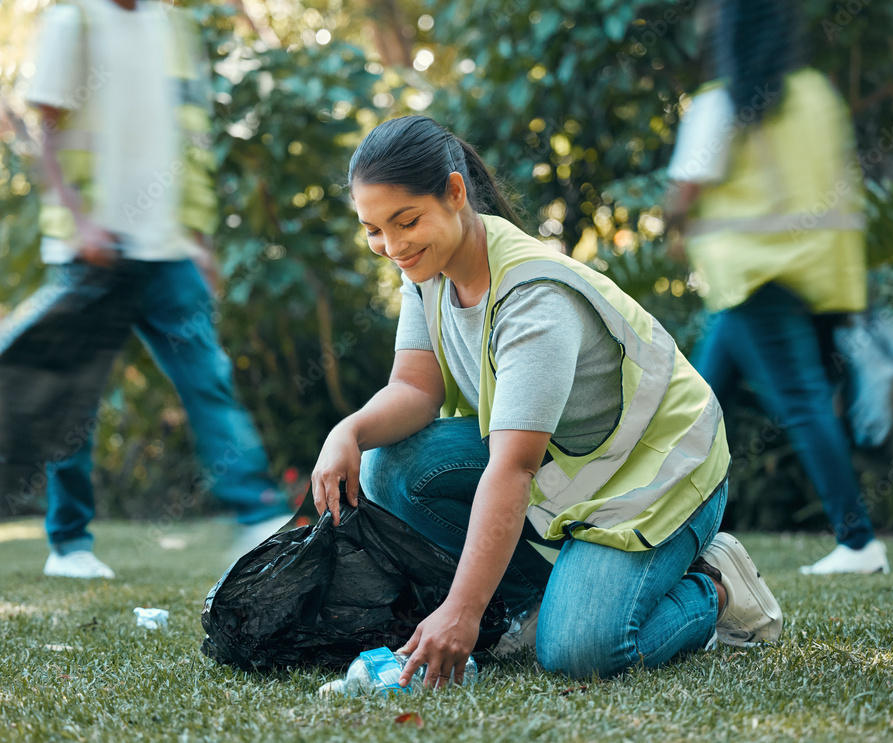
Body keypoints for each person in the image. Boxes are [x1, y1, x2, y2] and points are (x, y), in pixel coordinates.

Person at [310, 115, 783, 685]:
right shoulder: (427, 269)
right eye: (373, 230)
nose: (391, 246)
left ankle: (712, 582)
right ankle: (542, 600)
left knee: (579, 654)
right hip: (569, 467)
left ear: (455, 193)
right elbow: (415, 389)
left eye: (405, 222)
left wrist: (463, 612)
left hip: (657, 476)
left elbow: (514, 467)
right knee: (391, 466)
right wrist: (348, 432)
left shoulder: (534, 300)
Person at [0, 0, 291, 579]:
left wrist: (200, 241)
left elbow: (192, 142)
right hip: (92, 253)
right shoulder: (71, 21)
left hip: (167, 249)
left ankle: (258, 516)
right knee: (74, 401)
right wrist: (80, 222)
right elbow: (47, 134)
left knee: (209, 380)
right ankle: (70, 545)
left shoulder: (173, 28)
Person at [666, 0, 888, 575]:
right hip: (809, 272)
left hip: (752, 278)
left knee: (794, 403)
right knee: (695, 402)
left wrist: (676, 226)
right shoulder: (816, 94)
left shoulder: (721, 105)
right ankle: (659, 526)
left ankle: (859, 541)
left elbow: (684, 191)